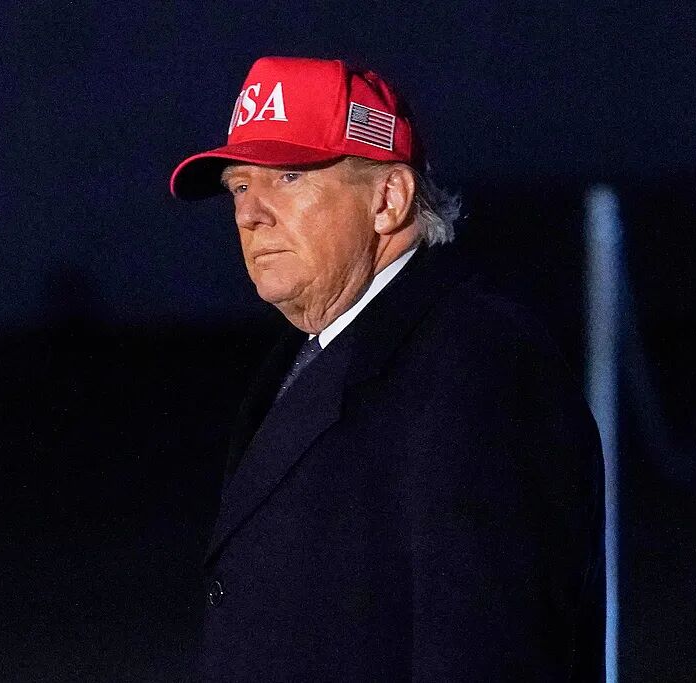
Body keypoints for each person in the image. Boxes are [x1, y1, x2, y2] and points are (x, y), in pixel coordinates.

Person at [170, 56, 604, 681]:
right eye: (239, 185)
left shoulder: (479, 366)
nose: (249, 213)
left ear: (388, 199)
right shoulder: (307, 352)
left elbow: (491, 651)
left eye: (288, 176)